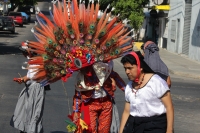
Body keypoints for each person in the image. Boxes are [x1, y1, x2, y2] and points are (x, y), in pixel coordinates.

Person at [119, 51, 174, 133]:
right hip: (134, 125)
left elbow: (169, 107)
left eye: (130, 68)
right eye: (125, 68)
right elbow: (127, 111)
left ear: (140, 67)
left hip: (155, 125)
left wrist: (169, 130)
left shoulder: (156, 82)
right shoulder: (129, 86)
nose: (127, 72)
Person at [71, 61, 126, 133]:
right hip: (90, 104)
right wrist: (76, 111)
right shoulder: (81, 78)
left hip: (106, 103)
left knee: (104, 130)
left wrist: (127, 91)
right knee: (90, 129)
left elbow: (115, 77)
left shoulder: (104, 70)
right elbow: (77, 95)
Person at [10, 43, 50, 133]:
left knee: (34, 112)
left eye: (24, 52)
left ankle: (31, 130)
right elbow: (30, 75)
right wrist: (22, 79)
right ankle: (25, 130)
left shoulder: (39, 61)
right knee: (25, 110)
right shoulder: (32, 61)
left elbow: (38, 76)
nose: (23, 54)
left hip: (36, 89)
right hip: (31, 88)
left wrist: (25, 79)